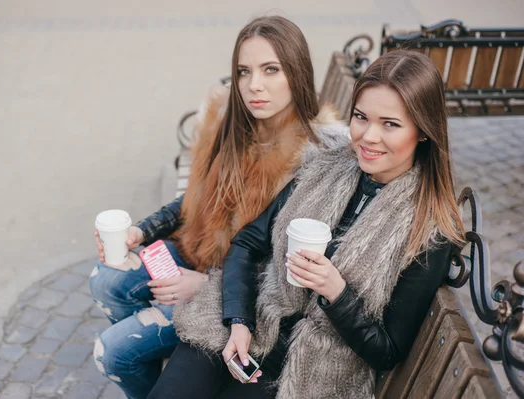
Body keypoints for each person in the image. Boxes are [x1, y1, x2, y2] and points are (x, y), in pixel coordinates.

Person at [152, 50, 466, 399]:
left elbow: (388, 350)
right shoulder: (324, 165)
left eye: (390, 124)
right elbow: (247, 243)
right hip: (252, 322)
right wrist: (239, 321)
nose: (368, 137)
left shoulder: (429, 229)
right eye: (361, 117)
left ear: (423, 130)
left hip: (309, 373)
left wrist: (337, 293)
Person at [89, 15, 345, 399]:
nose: (253, 86)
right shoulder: (237, 125)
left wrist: (205, 287)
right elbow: (195, 198)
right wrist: (141, 231)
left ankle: (162, 347)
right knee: (105, 278)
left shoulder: (313, 160)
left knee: (112, 353)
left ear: (296, 72)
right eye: (244, 71)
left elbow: (283, 271)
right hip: (200, 254)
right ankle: (164, 348)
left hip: (231, 297)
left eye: (270, 70)